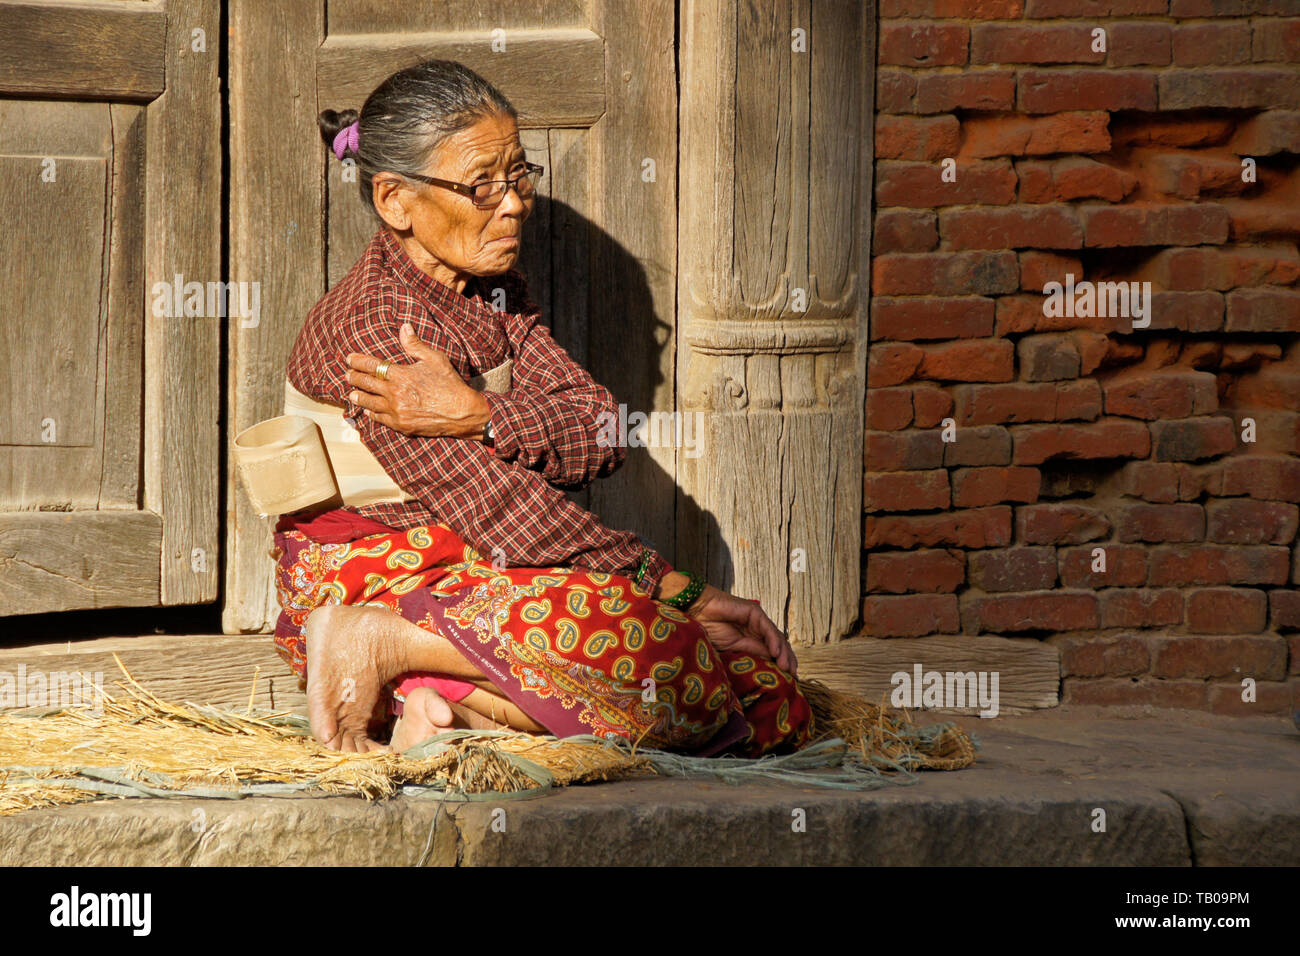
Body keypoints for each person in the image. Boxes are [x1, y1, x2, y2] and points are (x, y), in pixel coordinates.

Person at [272, 58, 810, 758]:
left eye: (518, 175)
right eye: (482, 185)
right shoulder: (376, 334)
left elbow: (600, 431)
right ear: (394, 201)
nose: (515, 203)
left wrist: (481, 413)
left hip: (497, 570)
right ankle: (376, 640)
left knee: (773, 702)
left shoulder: (493, 295)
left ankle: (441, 709)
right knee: (665, 661)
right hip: (386, 578)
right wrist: (673, 590)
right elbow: (497, 506)